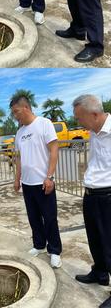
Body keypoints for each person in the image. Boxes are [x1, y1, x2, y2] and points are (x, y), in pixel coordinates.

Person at [10, 95, 62, 269]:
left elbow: (54, 150)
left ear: (25, 108)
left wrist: (50, 177)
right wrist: (17, 178)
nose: (15, 116)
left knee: (50, 218)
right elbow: (19, 158)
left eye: (16, 112)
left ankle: (54, 251)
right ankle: (39, 245)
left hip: (43, 182)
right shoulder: (20, 132)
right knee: (33, 217)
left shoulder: (44, 124)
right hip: (27, 183)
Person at [72, 95, 111, 307]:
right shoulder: (94, 131)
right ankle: (100, 273)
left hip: (108, 196)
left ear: (94, 114)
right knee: (95, 239)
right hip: (91, 194)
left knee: (109, 243)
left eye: (80, 118)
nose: (78, 123)